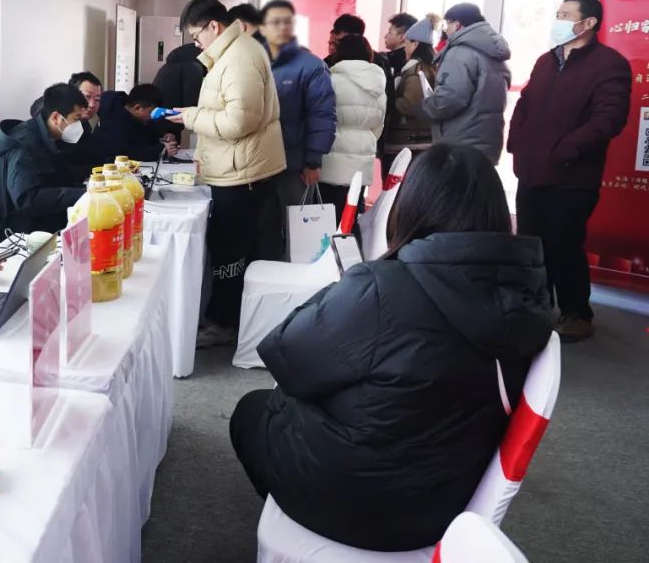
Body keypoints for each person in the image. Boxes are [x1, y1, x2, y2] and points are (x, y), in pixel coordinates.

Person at [230, 143, 554, 552]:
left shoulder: (385, 286)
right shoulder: (528, 296)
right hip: (443, 510)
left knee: (252, 411)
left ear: (413, 207)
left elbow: (286, 357)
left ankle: (302, 529)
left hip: (354, 503)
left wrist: (344, 293)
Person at [509, 0, 632, 342]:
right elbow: (525, 104)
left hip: (572, 176)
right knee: (530, 244)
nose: (558, 20)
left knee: (563, 244)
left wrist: (565, 150)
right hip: (532, 169)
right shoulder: (547, 60)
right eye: (558, 14)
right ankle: (535, 308)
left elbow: (609, 119)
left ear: (588, 23)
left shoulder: (609, 64)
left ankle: (577, 314)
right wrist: (516, 143)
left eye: (565, 15)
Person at [168, 0, 286, 347]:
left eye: (196, 35)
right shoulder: (232, 54)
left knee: (230, 251)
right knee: (232, 246)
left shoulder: (239, 58)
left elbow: (239, 122)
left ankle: (222, 323)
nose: (196, 44)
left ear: (213, 26)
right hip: (237, 167)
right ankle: (228, 318)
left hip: (242, 173)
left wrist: (190, 117)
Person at [0, 83, 89, 249]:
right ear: (56, 118)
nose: (79, 125)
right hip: (6, 240)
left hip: (35, 228)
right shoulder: (24, 145)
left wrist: (90, 187)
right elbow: (26, 199)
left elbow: (59, 177)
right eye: (76, 119)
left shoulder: (49, 137)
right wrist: (82, 194)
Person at [259, 0, 336, 220]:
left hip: (294, 164)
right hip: (258, 163)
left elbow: (322, 116)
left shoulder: (311, 66)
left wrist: (312, 162)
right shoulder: (256, 61)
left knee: (296, 224)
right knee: (263, 224)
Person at [422, 3, 511, 164]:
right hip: (487, 142)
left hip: (460, 144)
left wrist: (427, 105)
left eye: (447, 25)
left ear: (457, 25)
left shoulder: (460, 53)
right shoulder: (495, 53)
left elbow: (449, 100)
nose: (445, 30)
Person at [319, 34, 387, 231]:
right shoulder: (378, 83)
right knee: (351, 216)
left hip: (331, 158)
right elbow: (378, 125)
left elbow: (321, 119)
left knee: (327, 219)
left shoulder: (331, 79)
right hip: (361, 160)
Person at [384, 14, 439, 163]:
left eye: (407, 43)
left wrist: (389, 100)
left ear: (415, 44)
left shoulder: (416, 71)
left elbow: (410, 104)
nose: (405, 48)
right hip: (419, 138)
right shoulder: (430, 67)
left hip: (408, 140)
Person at [92, 83, 178, 162]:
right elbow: (122, 155)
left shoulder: (139, 119)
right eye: (151, 113)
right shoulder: (112, 121)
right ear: (137, 108)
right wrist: (161, 151)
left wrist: (164, 136)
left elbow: (149, 136)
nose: (153, 117)